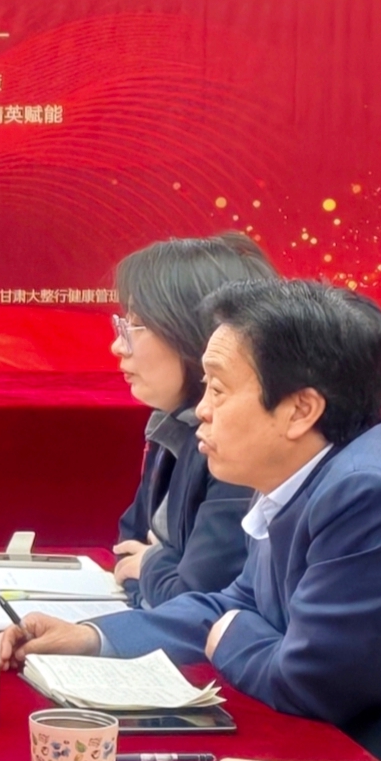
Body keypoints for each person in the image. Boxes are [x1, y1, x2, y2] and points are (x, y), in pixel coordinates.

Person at [2, 279, 381, 761]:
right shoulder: (303, 469)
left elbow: (315, 683)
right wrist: (92, 637)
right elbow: (235, 602)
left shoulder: (368, 494)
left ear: (300, 410)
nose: (201, 409)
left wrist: (233, 634)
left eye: (218, 389)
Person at [107, 232, 280, 607]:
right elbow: (126, 547)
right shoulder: (172, 421)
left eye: (135, 326)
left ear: (195, 332)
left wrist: (151, 564)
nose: (118, 346)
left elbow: (197, 597)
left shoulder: (240, 441)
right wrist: (158, 569)